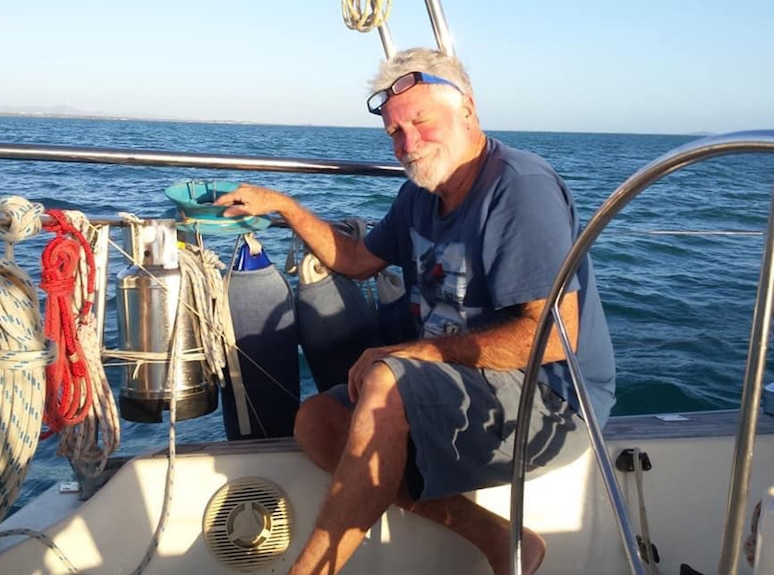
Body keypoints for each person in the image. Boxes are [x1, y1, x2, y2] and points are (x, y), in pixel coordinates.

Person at [214, 47, 615, 575]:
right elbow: (356, 261)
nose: (409, 143)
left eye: (421, 123)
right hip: (465, 380)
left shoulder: (520, 188)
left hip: (552, 399)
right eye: (395, 133)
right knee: (317, 422)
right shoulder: (418, 195)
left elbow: (555, 336)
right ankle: (499, 538)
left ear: (467, 110)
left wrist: (414, 354)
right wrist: (285, 206)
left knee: (385, 379)